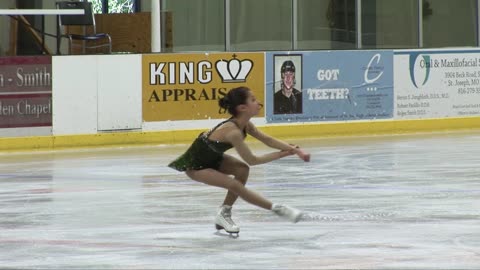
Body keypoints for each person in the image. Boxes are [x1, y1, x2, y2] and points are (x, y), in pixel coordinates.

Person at [168, 86, 311, 235]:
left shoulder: (245, 125)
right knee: (235, 185)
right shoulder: (233, 132)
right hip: (196, 166)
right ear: (243, 108)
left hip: (213, 158)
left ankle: (224, 213)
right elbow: (253, 160)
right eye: (253, 100)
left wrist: (295, 150)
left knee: (242, 169)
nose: (258, 102)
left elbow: (267, 140)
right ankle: (278, 209)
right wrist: (283, 154)